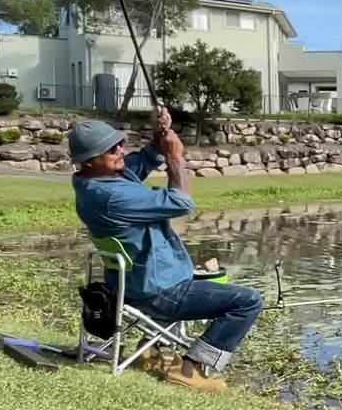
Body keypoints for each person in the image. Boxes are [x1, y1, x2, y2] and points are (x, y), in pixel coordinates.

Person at [69, 107, 263, 391]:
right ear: (88, 161)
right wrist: (175, 157)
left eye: (119, 143)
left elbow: (145, 159)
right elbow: (182, 202)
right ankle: (190, 367)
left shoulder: (96, 181)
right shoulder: (112, 196)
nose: (120, 149)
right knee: (248, 301)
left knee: (192, 278)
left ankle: (150, 351)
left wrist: (159, 135)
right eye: (111, 149)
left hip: (130, 286)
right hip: (158, 293)